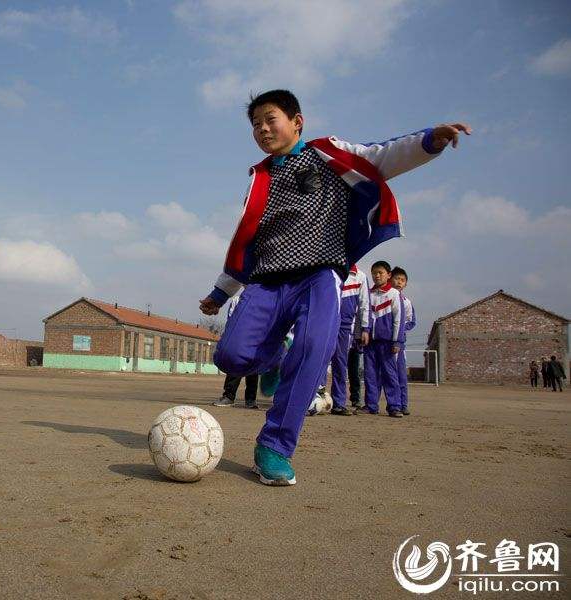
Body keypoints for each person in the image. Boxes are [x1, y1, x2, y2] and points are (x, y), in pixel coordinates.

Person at [198, 88, 470, 485]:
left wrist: (429, 140)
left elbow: (383, 155)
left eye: (269, 119)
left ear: (297, 121)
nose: (261, 128)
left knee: (313, 350)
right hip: (267, 279)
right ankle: (274, 358)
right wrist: (221, 291)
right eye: (255, 124)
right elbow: (245, 239)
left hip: (319, 275)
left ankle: (274, 446)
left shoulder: (328, 154)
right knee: (232, 357)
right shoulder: (259, 178)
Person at [359, 261, 405, 417]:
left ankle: (394, 406)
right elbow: (363, 314)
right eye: (374, 273)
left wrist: (397, 341)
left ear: (388, 275)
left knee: (389, 374)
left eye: (380, 272)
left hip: (387, 342)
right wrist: (361, 334)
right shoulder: (368, 293)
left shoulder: (393, 294)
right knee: (370, 375)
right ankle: (371, 405)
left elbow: (399, 319)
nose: (377, 276)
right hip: (370, 341)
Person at [329, 264, 370, 415]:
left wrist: (365, 329)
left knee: (340, 364)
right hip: (324, 321)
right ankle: (314, 399)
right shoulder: (328, 271)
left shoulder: (360, 276)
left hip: (345, 327)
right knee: (318, 360)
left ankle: (338, 403)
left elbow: (365, 304)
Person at [214, 292, 259, 408]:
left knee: (253, 370)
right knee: (234, 366)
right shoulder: (237, 300)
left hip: (256, 338)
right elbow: (231, 318)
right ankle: (228, 396)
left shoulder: (264, 300)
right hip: (239, 336)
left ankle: (250, 400)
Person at [390, 266, 415, 415]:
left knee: (400, 375)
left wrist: (398, 329)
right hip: (383, 341)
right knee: (382, 375)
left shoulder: (406, 302)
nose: (399, 282)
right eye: (397, 279)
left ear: (405, 284)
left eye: (402, 280)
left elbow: (411, 321)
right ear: (390, 278)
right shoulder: (384, 296)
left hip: (399, 343)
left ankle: (403, 404)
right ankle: (373, 404)